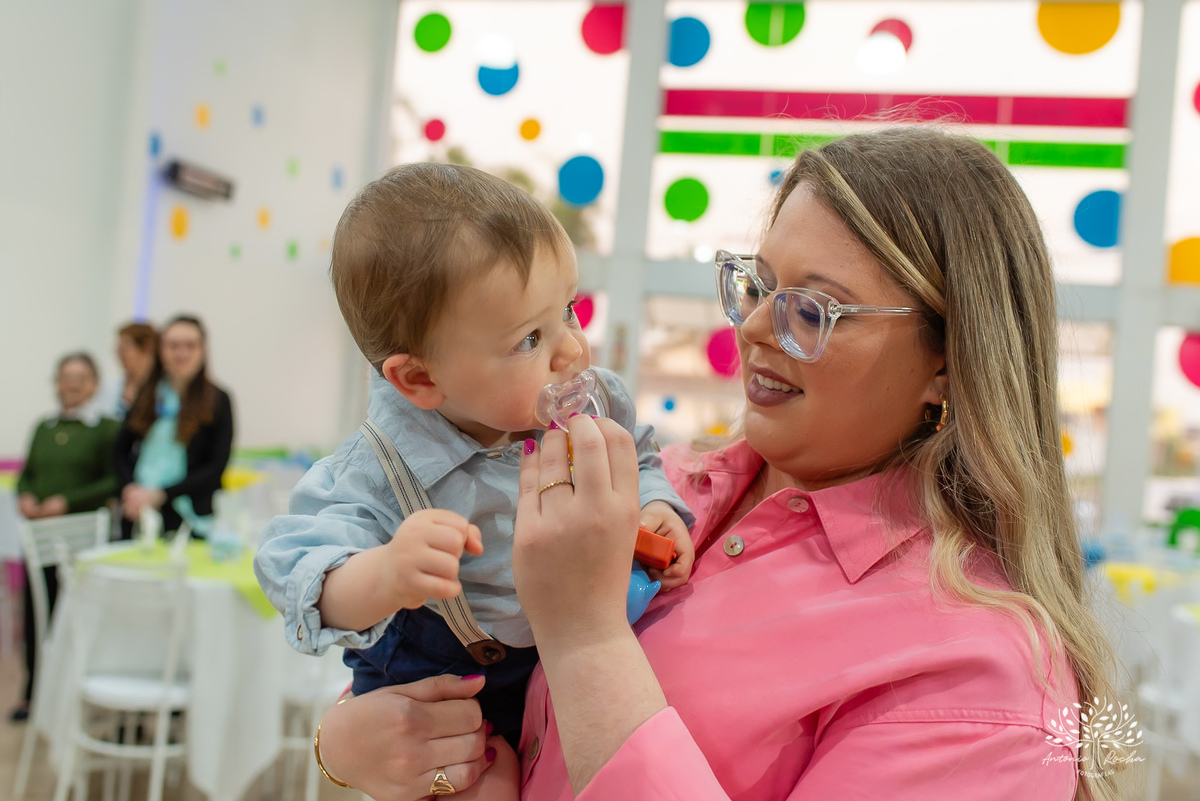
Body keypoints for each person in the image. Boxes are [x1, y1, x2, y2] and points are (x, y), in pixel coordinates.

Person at [311, 128, 1126, 801]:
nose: (759, 328)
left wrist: (588, 638)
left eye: (815, 308)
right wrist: (352, 740)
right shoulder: (674, 483)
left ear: (948, 358)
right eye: (760, 285)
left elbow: (577, 650)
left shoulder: (981, 676)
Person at [254, 164, 693, 786]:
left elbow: (642, 456)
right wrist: (383, 573)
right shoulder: (379, 470)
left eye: (568, 311)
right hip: (438, 684)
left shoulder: (589, 403)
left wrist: (655, 506)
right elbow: (296, 566)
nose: (571, 350)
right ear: (421, 380)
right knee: (483, 781)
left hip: (548, 660)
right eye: (528, 340)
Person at [13, 352, 120, 720]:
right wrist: (25, 495)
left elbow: (113, 480)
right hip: (39, 536)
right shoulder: (43, 427)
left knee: (72, 615)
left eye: (80, 377)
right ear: (56, 382)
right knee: (35, 614)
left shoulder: (106, 429)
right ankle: (32, 693)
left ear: (94, 384)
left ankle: (71, 696)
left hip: (81, 540)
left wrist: (67, 501)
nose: (72, 383)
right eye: (65, 376)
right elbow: (27, 473)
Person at [115, 314, 234, 538]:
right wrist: (131, 489)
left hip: (188, 518)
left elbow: (216, 466)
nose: (182, 353)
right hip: (137, 512)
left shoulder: (218, 400)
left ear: (203, 350)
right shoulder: (147, 394)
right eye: (173, 345)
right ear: (161, 349)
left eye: (190, 345)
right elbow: (120, 451)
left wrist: (160, 494)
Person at [97, 321, 158, 419]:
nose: (119, 353)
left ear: (147, 347)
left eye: (125, 348)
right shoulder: (109, 389)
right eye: (118, 348)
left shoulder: (165, 389)